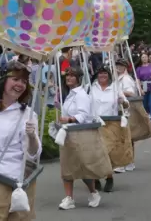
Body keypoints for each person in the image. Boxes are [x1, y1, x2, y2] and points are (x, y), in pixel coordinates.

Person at [57, 67, 101, 210]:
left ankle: (93, 192)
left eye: (72, 76)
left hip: (80, 135)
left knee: (83, 168)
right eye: (67, 76)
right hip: (68, 134)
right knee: (67, 166)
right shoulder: (70, 94)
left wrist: (68, 119)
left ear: (78, 78)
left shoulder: (81, 94)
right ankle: (69, 198)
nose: (68, 78)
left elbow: (83, 116)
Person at [89, 65, 129, 192]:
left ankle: (109, 177)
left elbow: (126, 104)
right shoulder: (90, 87)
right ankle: (95, 178)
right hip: (94, 123)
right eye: (100, 73)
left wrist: (122, 101)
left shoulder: (115, 88)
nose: (102, 76)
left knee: (107, 151)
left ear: (109, 76)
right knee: (95, 152)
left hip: (110, 123)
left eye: (105, 74)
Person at [115, 58, 137, 173]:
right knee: (124, 137)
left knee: (126, 137)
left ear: (125, 67)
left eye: (121, 65)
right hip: (119, 110)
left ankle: (128, 161)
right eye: (117, 65)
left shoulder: (126, 79)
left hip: (126, 110)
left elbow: (131, 93)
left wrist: (119, 93)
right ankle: (127, 161)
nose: (118, 67)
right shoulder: (117, 78)